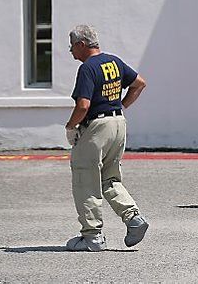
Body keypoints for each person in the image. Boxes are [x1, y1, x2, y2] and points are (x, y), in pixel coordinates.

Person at [64, 24, 149, 252]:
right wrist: (121, 106)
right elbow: (139, 83)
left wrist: (71, 127)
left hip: (96, 127)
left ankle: (92, 236)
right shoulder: (114, 61)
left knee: (85, 178)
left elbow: (83, 105)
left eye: (72, 46)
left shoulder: (87, 69)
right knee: (110, 178)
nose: (71, 51)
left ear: (82, 45)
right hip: (118, 123)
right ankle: (133, 218)